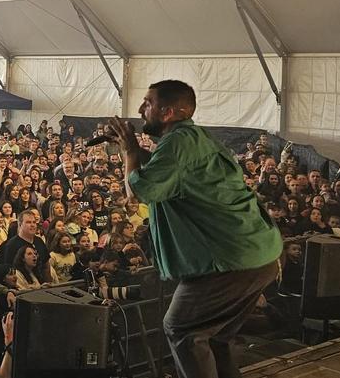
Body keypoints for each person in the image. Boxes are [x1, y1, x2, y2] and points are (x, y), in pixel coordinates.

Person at [109, 80, 282, 378]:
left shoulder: (177, 143)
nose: (140, 109)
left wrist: (128, 152)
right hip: (258, 257)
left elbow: (138, 192)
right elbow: (170, 178)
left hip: (229, 262)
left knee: (182, 328)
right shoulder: (194, 138)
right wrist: (136, 150)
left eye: (147, 103)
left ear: (167, 112)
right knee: (215, 338)